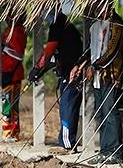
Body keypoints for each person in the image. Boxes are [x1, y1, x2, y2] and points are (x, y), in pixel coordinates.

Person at [29, 11, 85, 151]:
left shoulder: (58, 26)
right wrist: (40, 71)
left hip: (73, 73)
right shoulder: (66, 26)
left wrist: (37, 69)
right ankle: (65, 141)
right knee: (66, 107)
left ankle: (67, 144)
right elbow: (53, 58)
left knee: (68, 107)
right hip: (67, 71)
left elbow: (48, 52)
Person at [87, 11, 123, 163]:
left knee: (110, 113)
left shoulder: (116, 24)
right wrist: (82, 65)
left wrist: (95, 66)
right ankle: (105, 151)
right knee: (101, 114)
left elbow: (113, 50)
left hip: (110, 75)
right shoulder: (94, 26)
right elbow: (90, 49)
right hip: (96, 78)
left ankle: (115, 152)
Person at [1, 15, 26, 142]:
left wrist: (3, 47)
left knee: (10, 105)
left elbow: (18, 55)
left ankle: (11, 133)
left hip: (12, 73)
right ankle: (8, 132)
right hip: (5, 71)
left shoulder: (18, 31)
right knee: (6, 104)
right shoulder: (8, 29)